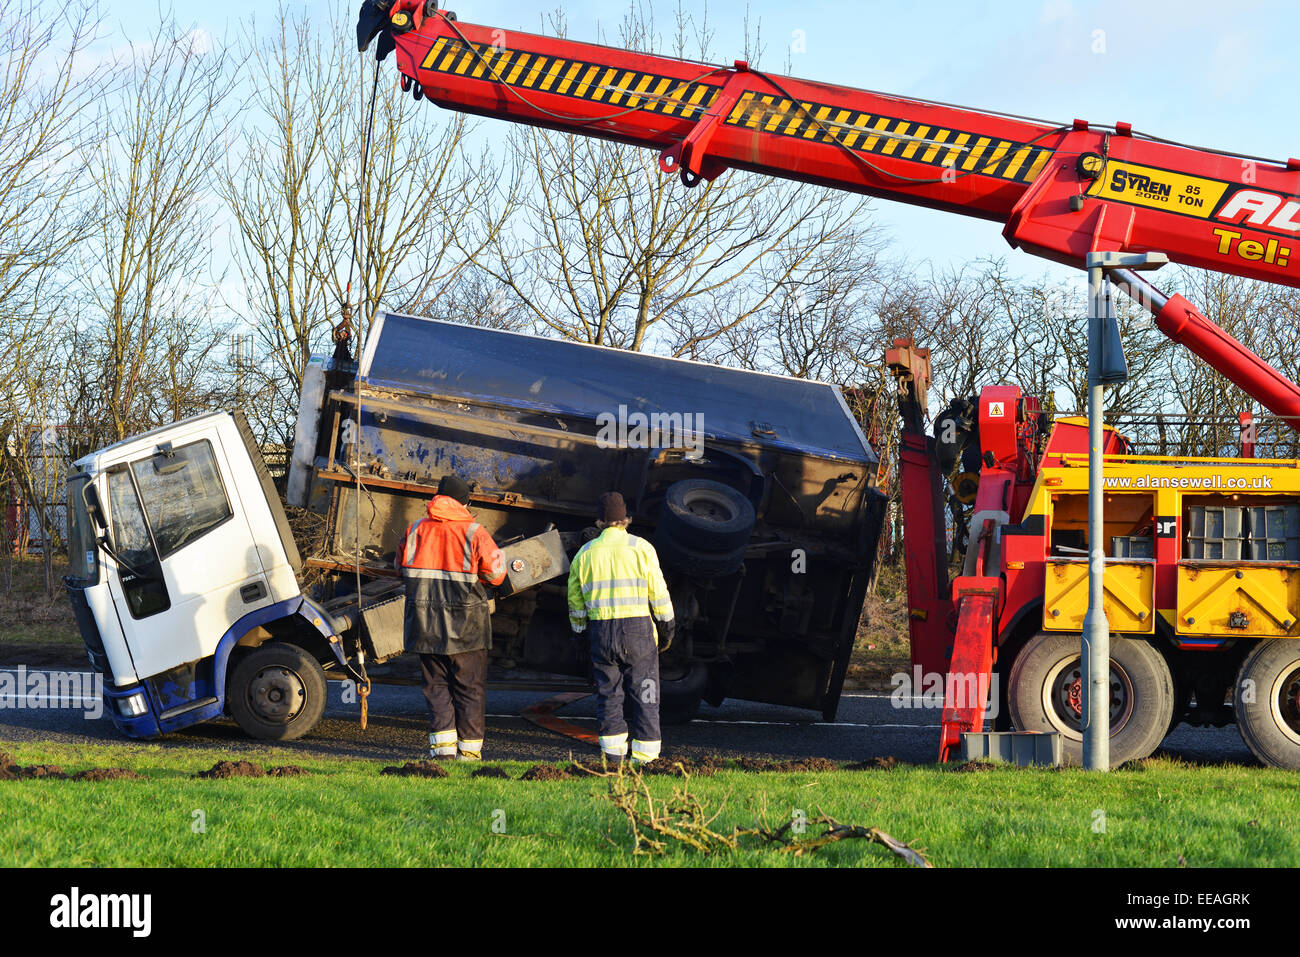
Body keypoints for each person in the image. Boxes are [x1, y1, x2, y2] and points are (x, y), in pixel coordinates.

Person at [396, 474, 506, 761]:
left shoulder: (415, 530)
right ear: (465, 502)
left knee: (436, 687)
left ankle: (442, 752)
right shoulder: (474, 532)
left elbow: (400, 569)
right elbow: (497, 575)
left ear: (436, 498)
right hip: (466, 627)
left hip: (424, 625)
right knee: (469, 687)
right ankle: (469, 754)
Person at [567, 491, 675, 767]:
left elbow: (575, 603)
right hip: (638, 631)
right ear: (626, 519)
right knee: (646, 692)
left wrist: (580, 635)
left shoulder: (584, 554)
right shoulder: (642, 548)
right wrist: (667, 628)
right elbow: (659, 594)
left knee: (608, 694)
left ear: (599, 521)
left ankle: (613, 758)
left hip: (602, 633)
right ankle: (647, 759)